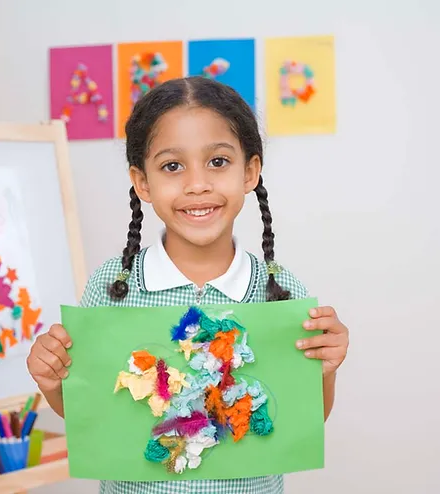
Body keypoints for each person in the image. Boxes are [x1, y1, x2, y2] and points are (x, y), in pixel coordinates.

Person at [27, 76, 349, 494]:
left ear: (250, 171)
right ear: (142, 182)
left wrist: (325, 371)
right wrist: (54, 383)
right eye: (172, 166)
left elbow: (300, 418)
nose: (197, 184)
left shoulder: (281, 291)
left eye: (218, 162)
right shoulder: (112, 286)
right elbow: (96, 413)